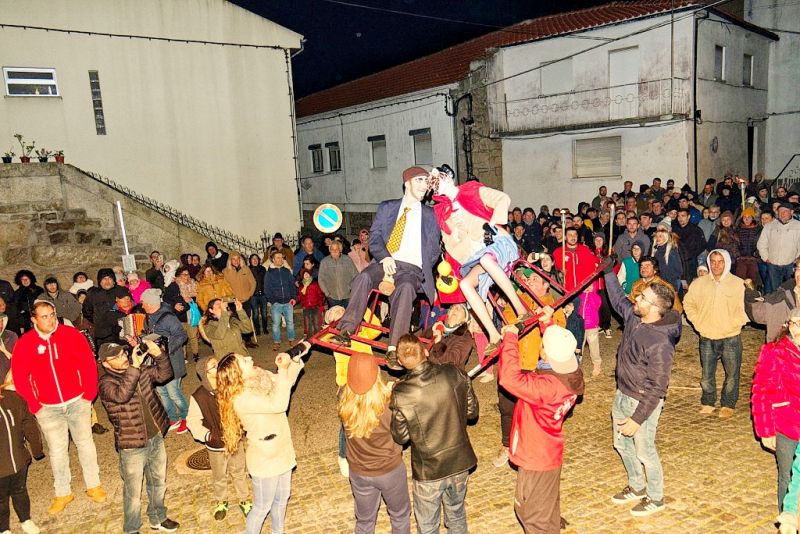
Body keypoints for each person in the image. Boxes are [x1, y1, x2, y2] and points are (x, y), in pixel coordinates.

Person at [333, 167, 441, 370]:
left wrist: (420, 264)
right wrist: (384, 257)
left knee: (406, 288)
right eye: (419, 180)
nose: (424, 185)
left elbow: (434, 249)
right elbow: (374, 238)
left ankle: (394, 349)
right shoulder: (388, 207)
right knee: (363, 278)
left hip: (410, 269)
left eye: (427, 183)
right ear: (407, 183)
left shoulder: (430, 214)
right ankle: (346, 331)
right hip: (385, 262)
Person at [11, 301, 105, 514]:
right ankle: (63, 492)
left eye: (52, 314)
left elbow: (88, 364)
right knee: (57, 451)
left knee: (85, 444)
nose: (50, 319)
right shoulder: (26, 343)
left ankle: (94, 485)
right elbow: (20, 376)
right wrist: (35, 404)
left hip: (77, 401)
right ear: (34, 319)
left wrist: (88, 395)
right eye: (44, 316)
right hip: (47, 407)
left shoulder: (70, 335)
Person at [604, 261, 680, 517]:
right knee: (621, 445)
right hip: (622, 394)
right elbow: (617, 300)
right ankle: (637, 486)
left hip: (642, 403)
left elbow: (658, 387)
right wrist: (608, 272)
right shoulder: (635, 317)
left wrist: (637, 419)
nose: (636, 296)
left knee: (645, 451)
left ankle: (656, 497)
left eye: (643, 297)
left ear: (655, 308)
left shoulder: (660, 342)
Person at [429, 166, 529, 356]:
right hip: (478, 257)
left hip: (498, 243)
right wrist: (458, 236)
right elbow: (450, 247)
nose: (436, 188)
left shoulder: (472, 190)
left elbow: (503, 199)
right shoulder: (444, 213)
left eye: (438, 181)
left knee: (486, 259)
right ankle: (493, 335)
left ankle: (521, 310)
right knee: (466, 285)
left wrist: (491, 224)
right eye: (433, 187)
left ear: (448, 178)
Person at [497, 320, 584, 533]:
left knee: (531, 513)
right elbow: (557, 348)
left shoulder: (546, 387)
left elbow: (509, 378)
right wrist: (547, 326)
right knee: (548, 509)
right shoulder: (571, 375)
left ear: (545, 354)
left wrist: (510, 338)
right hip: (550, 452)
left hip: (535, 457)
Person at [216, 343, 310, 534]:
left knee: (282, 498)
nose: (250, 358)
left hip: (282, 449)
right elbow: (279, 403)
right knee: (262, 507)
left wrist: (294, 360)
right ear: (237, 374)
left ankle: (278, 531)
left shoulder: (261, 378)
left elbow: (285, 385)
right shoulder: (241, 397)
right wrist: (282, 370)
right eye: (244, 360)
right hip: (264, 457)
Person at [390, 334, 478, 533]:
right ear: (427, 352)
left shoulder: (401, 392)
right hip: (460, 462)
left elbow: (400, 436)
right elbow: (472, 413)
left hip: (429, 470)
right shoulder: (455, 372)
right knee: (456, 515)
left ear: (399, 362)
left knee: (428, 526)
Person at [97, 340, 180, 534]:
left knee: (158, 482)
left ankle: (158, 517)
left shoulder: (140, 370)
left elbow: (165, 374)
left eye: (123, 353)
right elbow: (122, 395)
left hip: (155, 437)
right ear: (105, 364)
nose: (123, 357)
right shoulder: (105, 383)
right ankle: (132, 529)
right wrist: (134, 366)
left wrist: (158, 354)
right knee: (133, 493)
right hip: (132, 444)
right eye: (116, 357)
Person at [338, 352, 411, 534]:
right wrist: (394, 389)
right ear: (376, 373)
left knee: (364, 521)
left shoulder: (343, 400)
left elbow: (358, 396)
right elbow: (404, 433)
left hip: (359, 472)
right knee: (400, 515)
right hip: (389, 470)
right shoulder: (389, 404)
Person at [683, 250, 749, 418]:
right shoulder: (699, 283)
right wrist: (698, 322)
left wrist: (735, 323)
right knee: (706, 375)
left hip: (730, 337)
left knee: (732, 374)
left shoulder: (738, 284)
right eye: (713, 261)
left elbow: (749, 307)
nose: (716, 265)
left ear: (726, 263)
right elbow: (688, 303)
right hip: (707, 336)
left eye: (720, 261)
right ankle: (708, 401)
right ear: (709, 262)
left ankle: (728, 403)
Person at [186, 355, 251, 521]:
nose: (219, 366)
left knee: (239, 471)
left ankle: (244, 499)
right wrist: (208, 436)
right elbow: (192, 421)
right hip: (215, 445)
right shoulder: (199, 396)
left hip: (234, 440)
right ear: (206, 373)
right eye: (214, 365)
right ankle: (222, 501)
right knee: (219, 475)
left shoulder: (229, 387)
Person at [752, 307, 800, 513]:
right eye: (794, 323)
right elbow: (761, 391)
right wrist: (766, 430)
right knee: (788, 477)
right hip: (786, 426)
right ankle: (787, 519)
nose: (797, 330)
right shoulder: (774, 351)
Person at [139, 288, 189, 433]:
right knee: (162, 391)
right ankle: (172, 417)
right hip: (156, 362)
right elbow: (147, 334)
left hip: (172, 361)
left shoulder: (168, 317)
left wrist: (166, 348)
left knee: (173, 392)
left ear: (150, 304)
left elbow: (181, 335)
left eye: (144, 303)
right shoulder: (148, 317)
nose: (142, 306)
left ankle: (186, 417)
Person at [0, 370, 43, 534]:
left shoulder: (14, 399)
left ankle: (26, 519)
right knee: (1, 499)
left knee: (20, 491)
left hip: (18, 460)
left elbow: (29, 425)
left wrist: (36, 449)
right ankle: (4, 528)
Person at [758, 203, 800, 291]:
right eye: (780, 211)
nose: (782, 214)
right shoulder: (770, 226)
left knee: (792, 289)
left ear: (791, 212)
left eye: (785, 211)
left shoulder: (798, 226)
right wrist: (765, 257)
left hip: (791, 264)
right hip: (773, 265)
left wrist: (797, 259)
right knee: (776, 291)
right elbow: (761, 243)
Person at [223, 251, 257, 348]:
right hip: (233, 302)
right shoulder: (226, 272)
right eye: (233, 259)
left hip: (246, 300)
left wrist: (249, 295)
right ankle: (239, 341)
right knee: (236, 322)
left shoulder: (245, 269)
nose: (236, 261)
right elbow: (225, 288)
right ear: (230, 260)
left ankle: (248, 340)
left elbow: (253, 283)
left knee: (246, 320)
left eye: (238, 258)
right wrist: (231, 299)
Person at [264, 251, 297, 351]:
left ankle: (291, 339)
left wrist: (293, 298)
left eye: (282, 257)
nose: (281, 259)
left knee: (290, 322)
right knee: (276, 324)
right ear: (273, 260)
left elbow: (292, 285)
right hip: (276, 303)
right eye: (278, 258)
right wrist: (273, 301)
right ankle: (277, 342)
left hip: (288, 302)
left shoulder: (286, 271)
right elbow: (267, 288)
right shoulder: (269, 273)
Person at [165, 266, 200, 362]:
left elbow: (199, 296)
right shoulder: (174, 285)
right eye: (184, 274)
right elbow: (166, 299)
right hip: (180, 314)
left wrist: (192, 300)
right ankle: (183, 355)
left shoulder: (194, 284)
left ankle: (195, 354)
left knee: (193, 335)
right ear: (178, 276)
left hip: (191, 312)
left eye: (188, 274)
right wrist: (174, 305)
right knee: (182, 336)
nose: (186, 276)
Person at [84, 268, 125, 346]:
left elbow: (130, 307)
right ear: (100, 281)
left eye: (110, 278)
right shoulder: (93, 294)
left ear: (113, 280)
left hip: (121, 331)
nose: (107, 281)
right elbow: (87, 311)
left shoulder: (121, 291)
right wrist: (98, 321)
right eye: (104, 279)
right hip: (103, 334)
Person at [554, 227, 599, 292]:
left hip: (584, 289)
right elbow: (556, 272)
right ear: (565, 237)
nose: (573, 237)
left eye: (575, 234)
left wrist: (593, 285)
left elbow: (594, 269)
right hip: (567, 291)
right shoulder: (558, 252)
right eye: (570, 235)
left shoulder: (585, 250)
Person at [672, 208, 707, 288]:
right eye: (678, 216)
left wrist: (689, 256)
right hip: (678, 265)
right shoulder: (674, 230)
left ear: (688, 216)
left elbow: (702, 247)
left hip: (691, 264)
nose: (680, 218)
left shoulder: (696, 230)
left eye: (683, 216)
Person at [319, 240, 358, 308]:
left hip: (347, 296)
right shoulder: (324, 262)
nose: (334, 251)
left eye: (336, 249)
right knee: (335, 317)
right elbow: (321, 279)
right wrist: (327, 293)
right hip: (332, 297)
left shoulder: (347, 260)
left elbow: (355, 275)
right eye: (332, 249)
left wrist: (351, 288)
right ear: (329, 250)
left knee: (347, 316)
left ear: (340, 250)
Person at [650, 222, 683, 292]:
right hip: (660, 283)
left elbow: (679, 270)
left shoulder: (672, 251)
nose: (658, 238)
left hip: (671, 284)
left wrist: (668, 283)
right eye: (657, 236)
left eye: (660, 236)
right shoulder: (656, 251)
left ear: (666, 237)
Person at [296, 267, 325, 336]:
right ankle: (309, 337)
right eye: (304, 274)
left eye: (307, 273)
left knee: (316, 323)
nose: (306, 275)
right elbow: (299, 296)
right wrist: (295, 300)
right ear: (302, 276)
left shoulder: (315, 284)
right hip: (306, 307)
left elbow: (320, 295)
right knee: (307, 324)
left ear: (310, 274)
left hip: (315, 306)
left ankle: (317, 337)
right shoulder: (301, 286)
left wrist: (320, 305)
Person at [248, 254, 269, 337]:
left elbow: (266, 281)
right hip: (253, 295)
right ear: (250, 260)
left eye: (256, 259)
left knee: (264, 313)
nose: (255, 260)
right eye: (253, 259)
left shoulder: (263, 269)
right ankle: (257, 330)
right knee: (255, 313)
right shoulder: (248, 270)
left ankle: (265, 328)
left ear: (259, 260)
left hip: (263, 294)